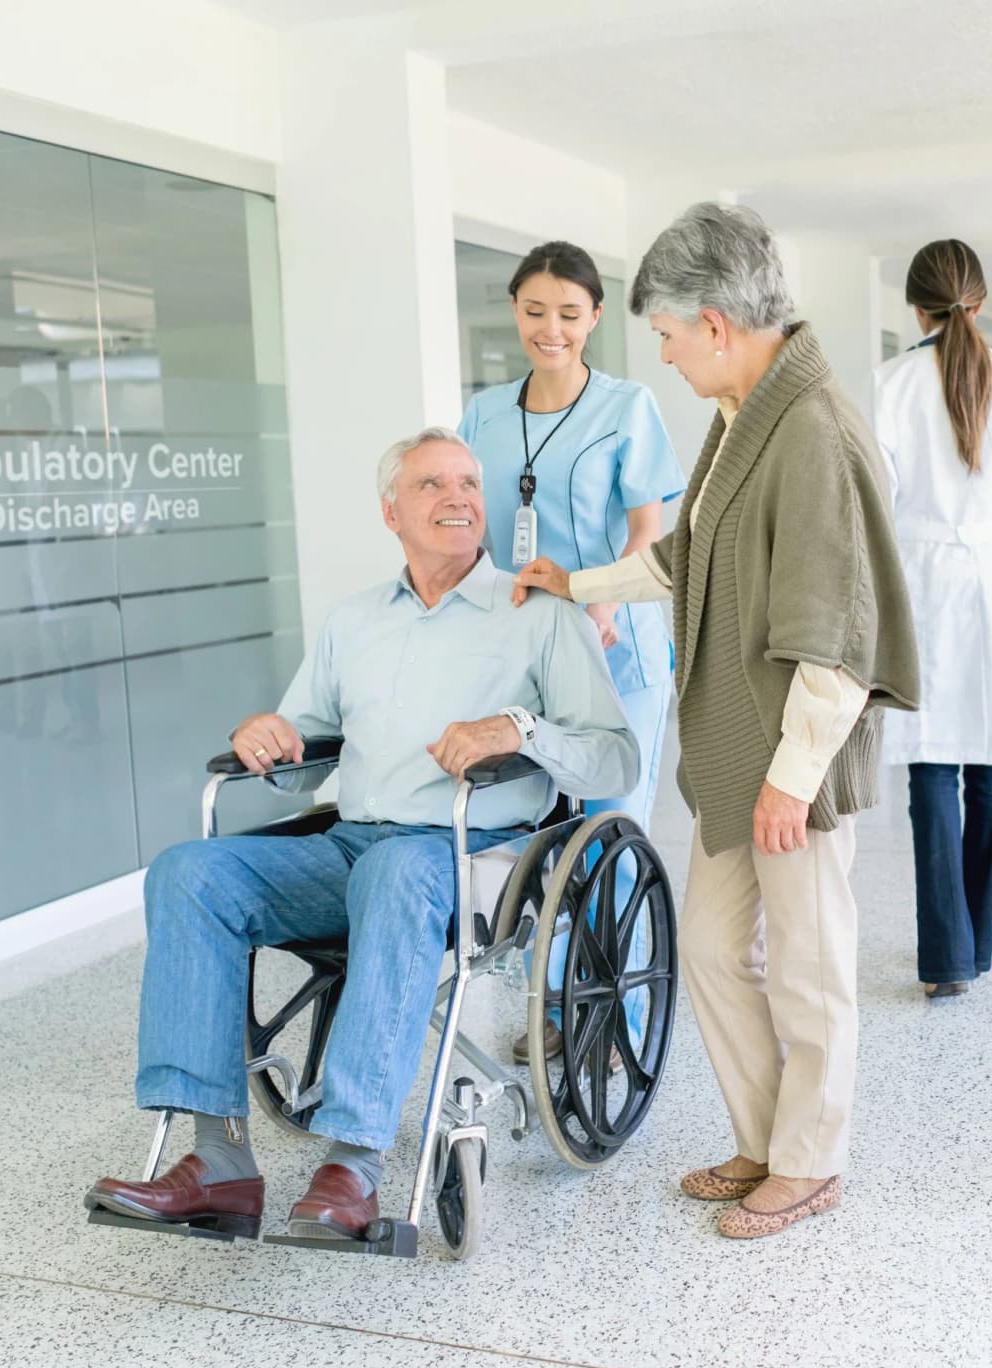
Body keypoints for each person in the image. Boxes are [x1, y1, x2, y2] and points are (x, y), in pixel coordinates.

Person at [85, 429, 636, 1242]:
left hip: (464, 855)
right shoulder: (354, 621)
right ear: (391, 511)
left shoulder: (540, 617)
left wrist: (519, 729)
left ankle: (353, 1164)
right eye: (432, 485)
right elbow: (309, 749)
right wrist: (270, 737)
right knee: (186, 872)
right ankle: (218, 1162)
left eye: (468, 483)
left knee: (396, 874)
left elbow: (615, 757)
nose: (458, 498)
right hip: (349, 842)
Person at [514, 202, 919, 1240]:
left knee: (810, 961)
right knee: (706, 947)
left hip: (793, 757)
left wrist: (793, 778)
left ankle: (812, 1160)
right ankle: (767, 1139)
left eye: (665, 334)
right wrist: (580, 580)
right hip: (738, 743)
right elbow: (690, 554)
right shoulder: (746, 417)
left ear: (718, 323)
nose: (663, 354)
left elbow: (836, 626)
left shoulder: (813, 427)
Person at [457, 240, 685, 1061]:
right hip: (524, 651)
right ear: (514, 309)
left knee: (609, 828)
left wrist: (605, 596)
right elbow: (472, 525)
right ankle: (553, 1007)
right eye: (533, 310)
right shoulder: (484, 413)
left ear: (593, 318)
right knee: (541, 834)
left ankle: (613, 1015)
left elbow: (648, 528)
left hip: (613, 645)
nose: (548, 329)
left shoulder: (627, 406)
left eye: (568, 313)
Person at [872, 239, 992, 999]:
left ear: (915, 308)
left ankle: (945, 956)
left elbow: (877, 498)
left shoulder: (889, 381)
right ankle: (978, 945)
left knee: (932, 766)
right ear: (979, 303)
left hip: (923, 580)